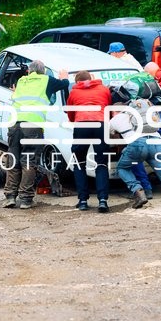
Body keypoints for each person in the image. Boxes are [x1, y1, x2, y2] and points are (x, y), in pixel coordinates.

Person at [3, 60, 69, 209]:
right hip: (32, 126)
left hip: (14, 124)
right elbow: (64, 85)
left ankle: (10, 197)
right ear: (43, 71)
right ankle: (25, 199)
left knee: (13, 160)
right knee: (28, 161)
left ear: (29, 71)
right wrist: (64, 77)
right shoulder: (46, 80)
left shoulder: (22, 81)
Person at [66, 70, 113, 213]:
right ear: (90, 78)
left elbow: (71, 114)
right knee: (101, 163)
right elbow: (109, 108)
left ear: (77, 82)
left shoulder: (74, 92)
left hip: (82, 125)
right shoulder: (104, 89)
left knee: (79, 162)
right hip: (101, 125)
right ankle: (103, 200)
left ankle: (83, 201)